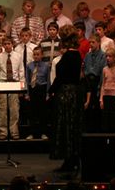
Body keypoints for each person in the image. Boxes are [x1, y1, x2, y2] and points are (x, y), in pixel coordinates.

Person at [49, 25, 83, 172]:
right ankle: (71, 160)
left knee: (66, 127)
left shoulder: (69, 55)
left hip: (66, 94)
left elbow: (61, 77)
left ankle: (70, 161)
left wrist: (51, 90)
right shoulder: (76, 54)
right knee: (71, 127)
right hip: (73, 93)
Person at [25, 46, 50, 140]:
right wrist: (27, 93)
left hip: (42, 89)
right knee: (32, 113)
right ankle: (32, 133)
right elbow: (27, 80)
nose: (36, 56)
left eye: (38, 54)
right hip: (32, 89)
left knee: (42, 112)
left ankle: (43, 132)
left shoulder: (46, 66)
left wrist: (47, 93)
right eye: (34, 54)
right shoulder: (29, 66)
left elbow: (48, 80)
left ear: (42, 55)